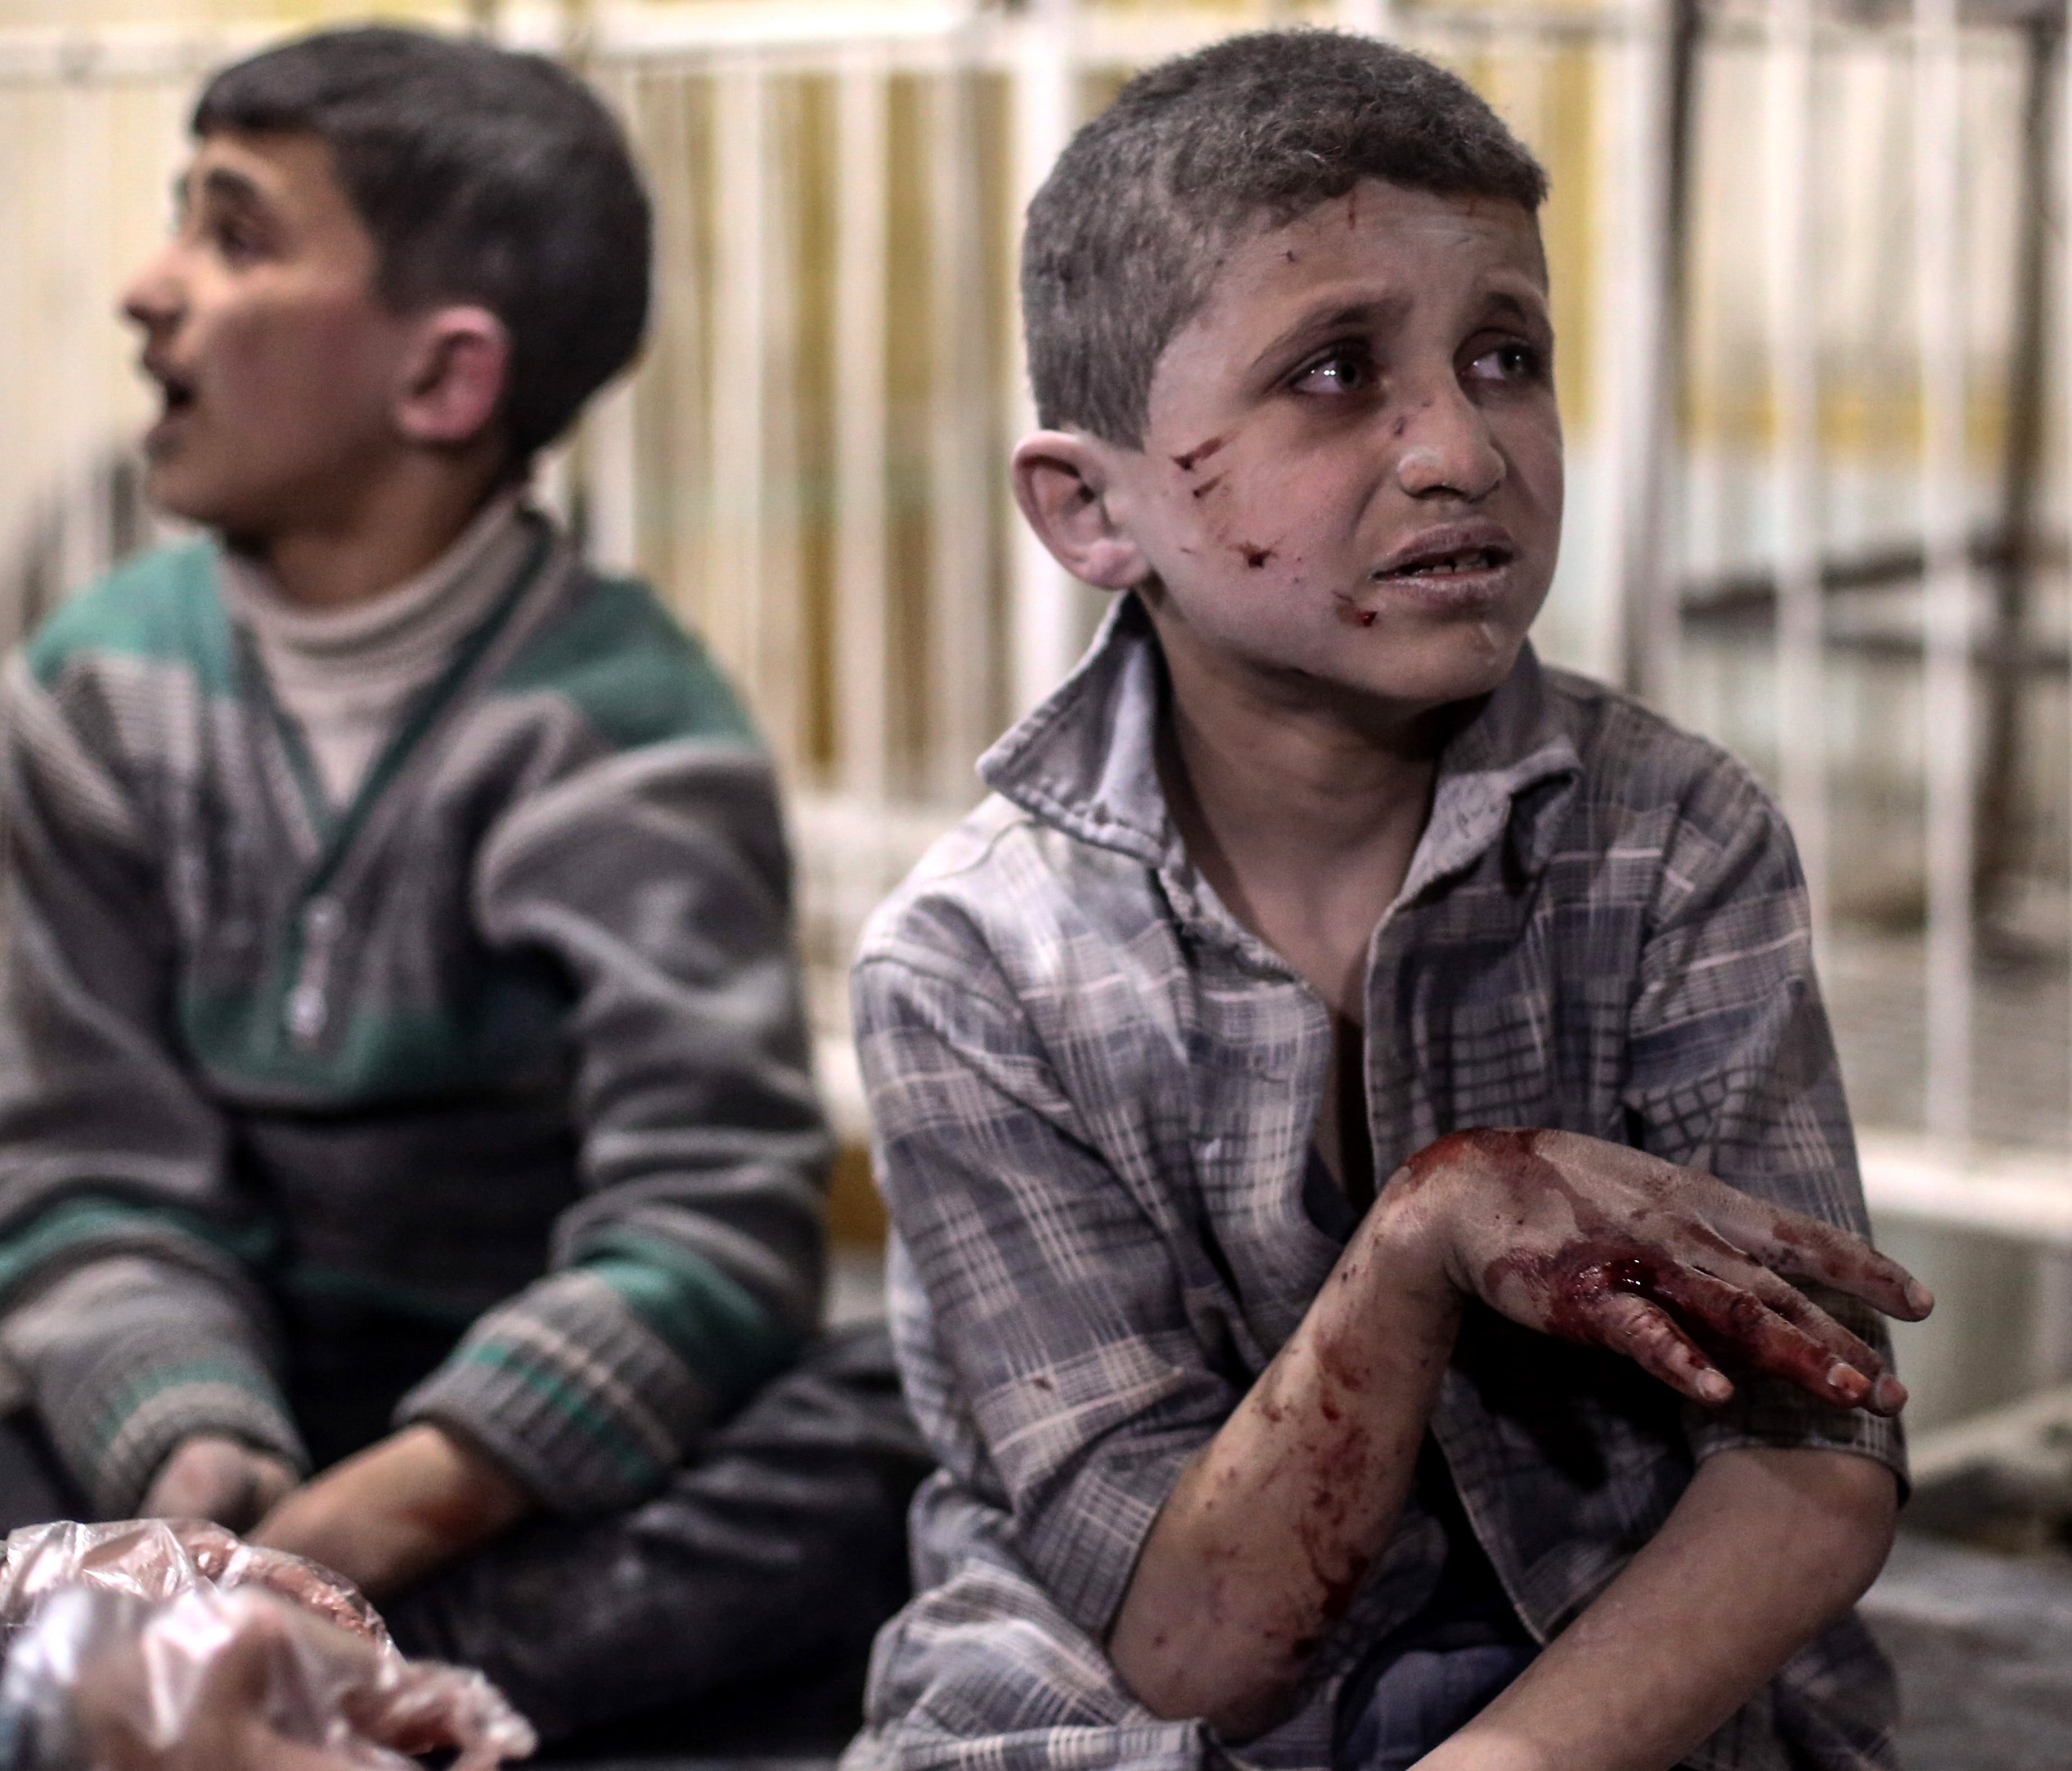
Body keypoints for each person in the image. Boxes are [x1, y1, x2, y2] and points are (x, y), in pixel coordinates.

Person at [848, 30, 1931, 1771]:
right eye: (1337, 373)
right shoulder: (976, 960)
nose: (1460, 451)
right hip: (1139, 1705)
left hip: (1603, 1673)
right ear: (1087, 507)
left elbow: (1813, 1464)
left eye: (1506, 355)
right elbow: (1183, 1636)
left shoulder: (1666, 844)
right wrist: (1427, 1236)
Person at [0, 24, 925, 1746]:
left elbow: (707, 1228)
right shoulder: (91, 691)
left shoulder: (626, 731)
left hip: (497, 1476)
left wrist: (358, 1531)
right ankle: (305, 1680)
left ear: (441, 382)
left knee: (882, 1429)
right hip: (209, 1446)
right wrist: (196, 1493)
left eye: (233, 232)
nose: (149, 289)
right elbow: (89, 1171)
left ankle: (236, 1683)